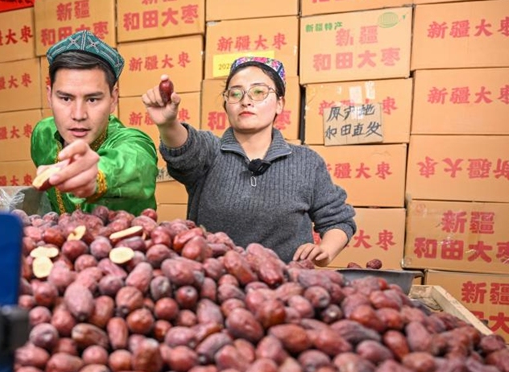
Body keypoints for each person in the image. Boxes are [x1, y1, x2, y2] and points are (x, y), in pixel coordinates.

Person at [142, 56, 356, 266]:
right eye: (235, 93)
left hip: (289, 288)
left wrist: (325, 250)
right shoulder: (210, 152)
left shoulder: (307, 162)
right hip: (217, 287)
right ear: (226, 105)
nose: (246, 100)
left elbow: (338, 219)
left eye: (258, 92)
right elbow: (184, 150)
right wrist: (169, 124)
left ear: (279, 104)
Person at [30, 31, 159, 216]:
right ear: (49, 96)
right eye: (66, 98)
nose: (78, 114)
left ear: (113, 98)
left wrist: (97, 174)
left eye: (92, 99)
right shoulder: (42, 135)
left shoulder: (133, 142)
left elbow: (136, 162)